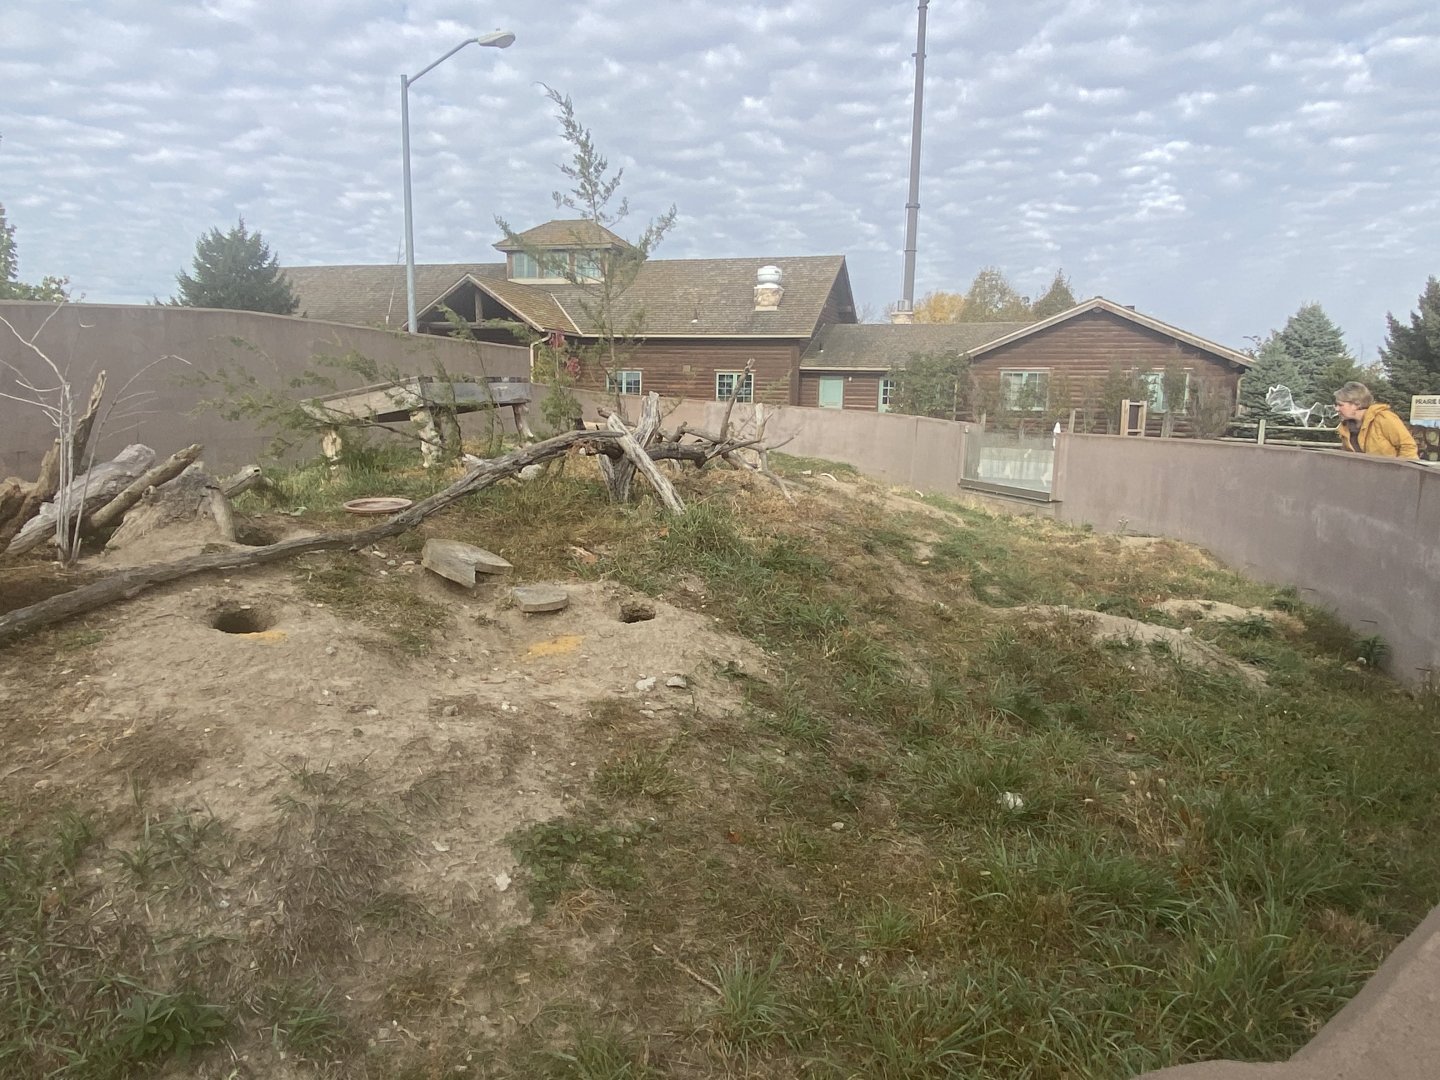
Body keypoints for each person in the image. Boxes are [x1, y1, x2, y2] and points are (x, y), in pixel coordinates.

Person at [1333, 382, 1418, 459]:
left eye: (1340, 405)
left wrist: (1400, 472)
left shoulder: (1384, 418)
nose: (1336, 409)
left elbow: (1408, 447)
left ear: (1357, 404)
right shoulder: (1345, 427)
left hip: (1391, 473)